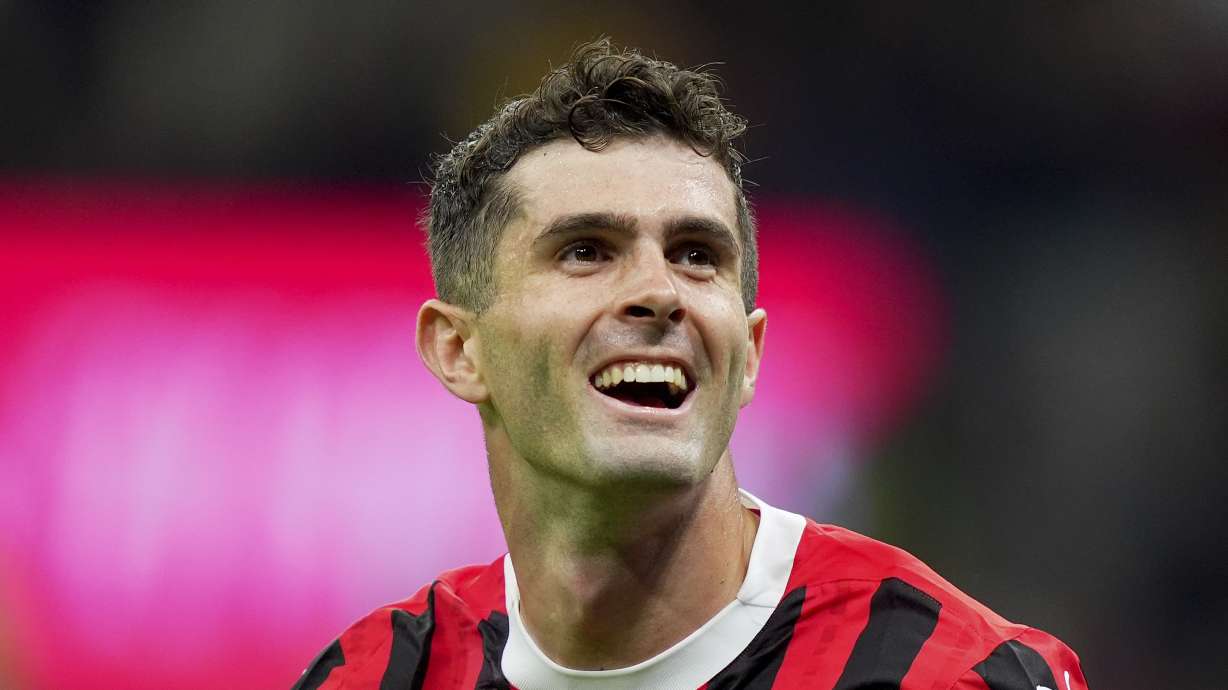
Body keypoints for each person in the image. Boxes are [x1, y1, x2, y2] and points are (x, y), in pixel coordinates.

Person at [293, 38, 1089, 690]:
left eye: (696, 254)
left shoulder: (948, 675)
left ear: (749, 356)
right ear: (458, 349)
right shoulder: (374, 677)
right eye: (586, 251)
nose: (658, 292)